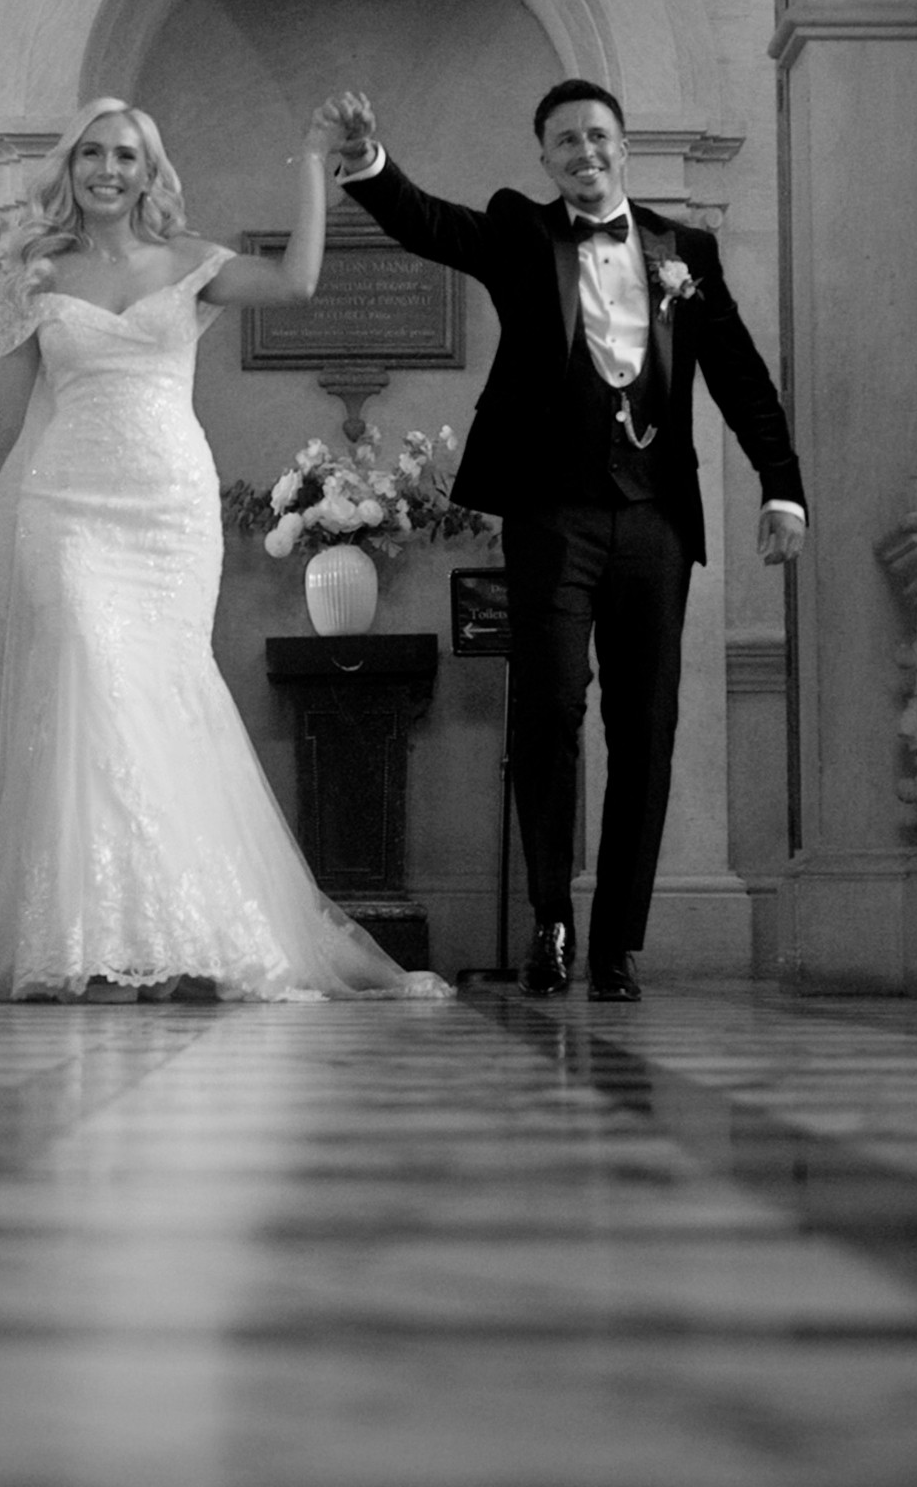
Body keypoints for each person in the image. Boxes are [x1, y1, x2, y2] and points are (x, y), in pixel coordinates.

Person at [0, 98, 448, 1003]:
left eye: (125, 155)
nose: (106, 170)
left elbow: (298, 284)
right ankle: (91, 941)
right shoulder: (36, 272)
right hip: (68, 507)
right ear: (70, 168)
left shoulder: (193, 261)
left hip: (167, 509)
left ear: (149, 172)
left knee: (161, 702)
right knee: (87, 678)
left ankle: (169, 935)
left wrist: (313, 157)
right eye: (91, 154)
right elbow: (0, 416)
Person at [324, 81, 804, 1002]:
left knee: (647, 726)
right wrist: (367, 164)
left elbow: (741, 377)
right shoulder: (522, 233)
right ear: (545, 158)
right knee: (547, 712)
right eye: (566, 141)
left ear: (623, 147)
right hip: (553, 514)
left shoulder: (685, 251)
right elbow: (431, 225)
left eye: (597, 136)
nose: (585, 152)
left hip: (658, 518)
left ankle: (617, 944)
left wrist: (781, 487)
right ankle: (551, 919)